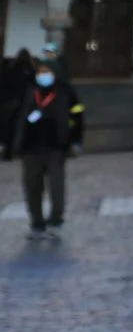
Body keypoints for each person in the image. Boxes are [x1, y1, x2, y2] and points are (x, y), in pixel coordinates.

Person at [11, 56, 82, 237]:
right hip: (30, 148)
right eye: (40, 72)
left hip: (56, 147)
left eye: (47, 72)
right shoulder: (29, 91)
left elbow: (77, 115)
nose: (43, 75)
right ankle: (37, 223)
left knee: (56, 187)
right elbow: (16, 116)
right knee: (32, 187)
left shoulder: (65, 91)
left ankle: (56, 220)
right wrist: (13, 141)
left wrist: (75, 140)